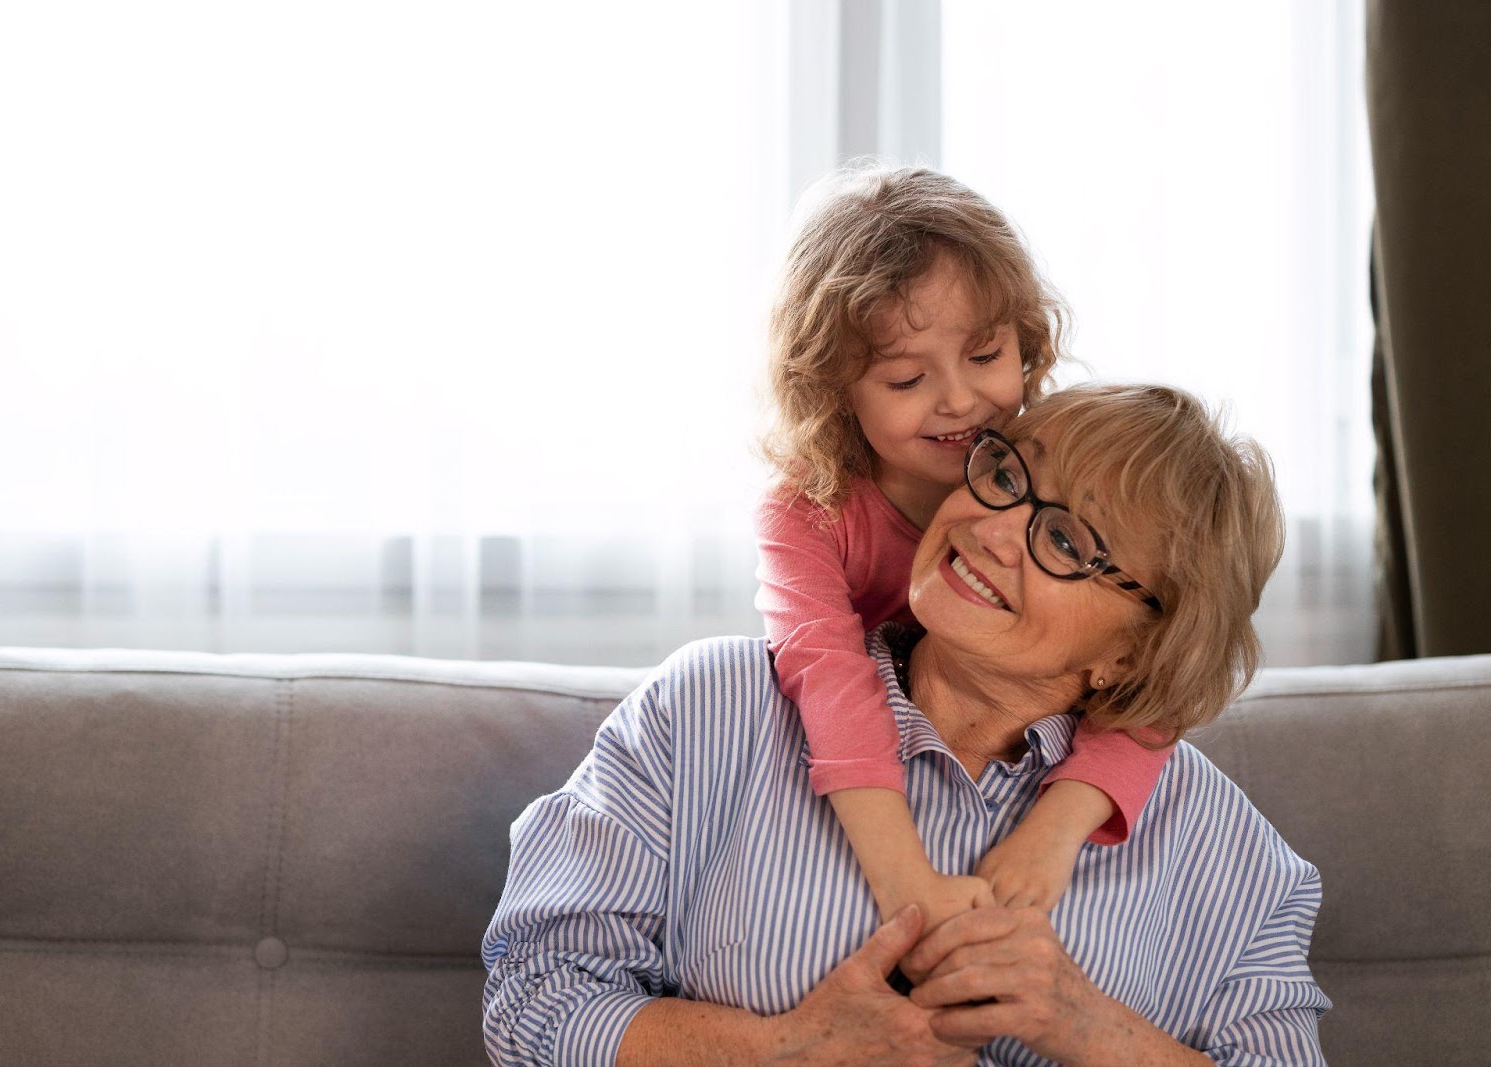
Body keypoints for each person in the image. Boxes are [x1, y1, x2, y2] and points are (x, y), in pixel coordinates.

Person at [483, 384, 1330, 1066]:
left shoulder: (1232, 857)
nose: (992, 529)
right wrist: (783, 1052)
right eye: (1006, 475)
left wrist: (1085, 1026)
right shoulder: (709, 710)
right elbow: (530, 996)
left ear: (1137, 651)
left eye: (1068, 541)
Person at [756, 164, 1169, 924]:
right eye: (907, 378)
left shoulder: (1037, 463)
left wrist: (1055, 829)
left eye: (985, 357)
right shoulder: (808, 510)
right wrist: (906, 883)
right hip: (886, 766)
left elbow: (1162, 661)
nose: (960, 400)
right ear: (831, 390)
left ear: (1025, 339)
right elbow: (828, 677)